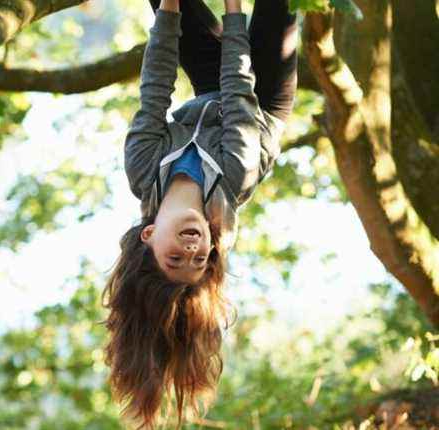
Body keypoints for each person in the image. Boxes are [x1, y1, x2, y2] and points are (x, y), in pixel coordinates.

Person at [102, 0, 298, 428]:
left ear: (148, 236)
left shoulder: (142, 169)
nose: (193, 250)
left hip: (212, 91)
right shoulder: (234, 177)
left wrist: (168, 13)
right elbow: (239, 91)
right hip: (256, 101)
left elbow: (154, 88)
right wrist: (233, 10)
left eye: (176, 259)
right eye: (199, 260)